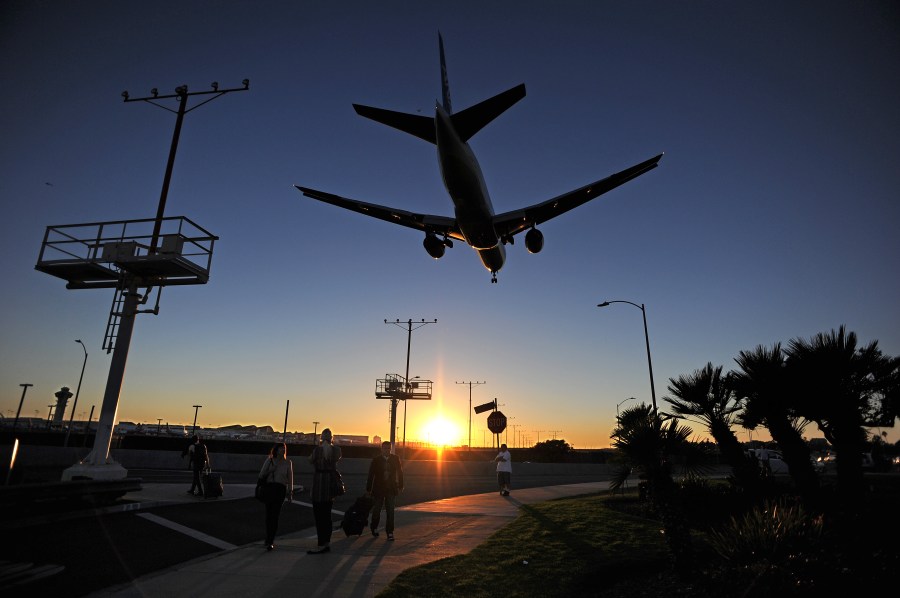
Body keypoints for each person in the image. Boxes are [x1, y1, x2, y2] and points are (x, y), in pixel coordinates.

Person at [307, 427, 342, 554]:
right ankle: (326, 542)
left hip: (318, 485)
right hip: (330, 486)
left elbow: (310, 460)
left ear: (321, 438)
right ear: (331, 438)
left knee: (318, 515)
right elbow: (337, 457)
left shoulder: (317, 450)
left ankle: (321, 542)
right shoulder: (336, 451)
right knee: (327, 515)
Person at [258, 442, 294, 551]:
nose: (283, 450)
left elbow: (290, 478)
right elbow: (261, 475)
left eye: (284, 448)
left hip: (280, 490)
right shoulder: (269, 460)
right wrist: (271, 470)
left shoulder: (288, 462)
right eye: (280, 448)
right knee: (269, 514)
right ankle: (268, 538)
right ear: (276, 450)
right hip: (269, 488)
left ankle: (270, 540)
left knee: (275, 515)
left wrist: (290, 492)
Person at [366, 441, 404, 541]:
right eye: (384, 448)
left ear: (390, 449)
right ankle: (374, 527)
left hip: (391, 488)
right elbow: (371, 475)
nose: (386, 450)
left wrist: (401, 485)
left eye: (388, 448)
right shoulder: (376, 460)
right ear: (381, 449)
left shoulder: (395, 459)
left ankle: (390, 532)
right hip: (378, 489)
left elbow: (400, 472)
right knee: (376, 510)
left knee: (390, 511)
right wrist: (368, 489)